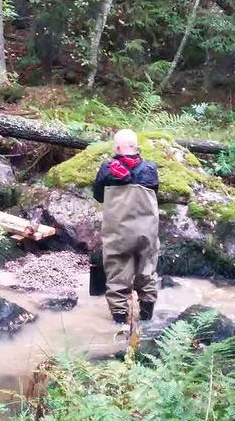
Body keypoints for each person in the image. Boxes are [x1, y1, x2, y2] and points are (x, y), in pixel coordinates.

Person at [93, 129, 160, 324]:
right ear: (136, 147)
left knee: (117, 276)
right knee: (147, 272)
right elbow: (155, 191)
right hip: (147, 231)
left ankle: (120, 324)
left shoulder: (107, 168)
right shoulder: (149, 168)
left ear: (117, 147)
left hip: (118, 232)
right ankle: (147, 320)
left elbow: (98, 196)